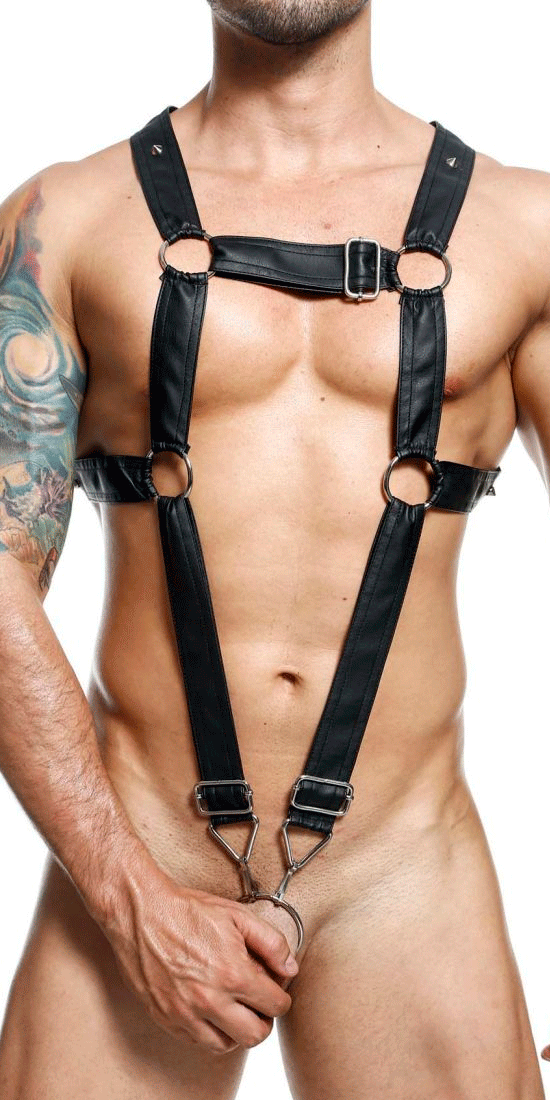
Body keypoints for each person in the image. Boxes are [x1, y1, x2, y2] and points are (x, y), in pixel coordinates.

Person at [0, 1, 549, 1097]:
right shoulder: (70, 220)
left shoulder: (525, 231)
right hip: (142, 852)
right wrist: (128, 898)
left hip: (408, 867)